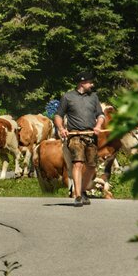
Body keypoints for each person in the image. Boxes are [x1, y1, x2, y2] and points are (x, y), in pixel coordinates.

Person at [54, 72, 107, 207]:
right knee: (78, 164)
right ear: (82, 83)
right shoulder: (68, 97)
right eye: (90, 82)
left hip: (91, 136)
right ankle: (77, 195)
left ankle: (83, 191)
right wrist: (61, 128)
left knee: (91, 166)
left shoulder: (94, 97)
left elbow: (100, 114)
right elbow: (58, 116)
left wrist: (98, 125)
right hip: (75, 135)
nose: (92, 84)